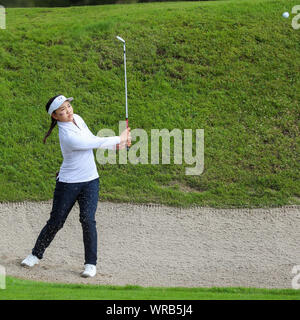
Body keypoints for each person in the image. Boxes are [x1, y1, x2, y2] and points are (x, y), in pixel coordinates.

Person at [21, 95, 131, 278]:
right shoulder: (66, 136)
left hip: (90, 181)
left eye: (69, 106)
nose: (68, 111)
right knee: (56, 221)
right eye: (62, 110)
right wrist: (118, 137)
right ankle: (35, 254)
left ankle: (90, 264)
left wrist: (116, 146)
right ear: (55, 116)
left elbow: (92, 138)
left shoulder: (77, 118)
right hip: (68, 184)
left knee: (88, 220)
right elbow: (89, 143)